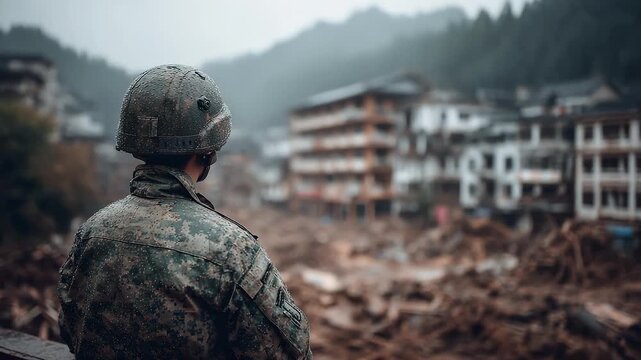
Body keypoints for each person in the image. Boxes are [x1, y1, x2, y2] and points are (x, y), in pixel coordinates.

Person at [57, 64, 311, 359]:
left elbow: (70, 327)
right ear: (208, 152)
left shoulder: (91, 232)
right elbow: (291, 353)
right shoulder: (230, 249)